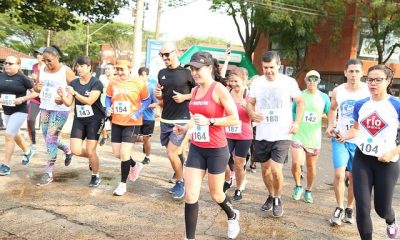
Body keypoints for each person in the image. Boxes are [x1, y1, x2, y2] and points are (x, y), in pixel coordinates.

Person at [173, 51, 240, 240]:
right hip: (197, 148)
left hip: (217, 150)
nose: (194, 73)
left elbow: (234, 119)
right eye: (192, 69)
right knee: (190, 194)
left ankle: (232, 215)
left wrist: (210, 121)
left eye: (198, 69)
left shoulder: (218, 89)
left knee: (217, 194)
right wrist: (185, 127)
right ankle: (190, 238)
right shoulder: (194, 91)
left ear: (209, 68)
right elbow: (197, 119)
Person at [337, 65, 400, 240]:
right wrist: (344, 135)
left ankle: (391, 219)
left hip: (387, 163)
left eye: (378, 79)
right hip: (362, 159)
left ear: (388, 81)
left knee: (382, 209)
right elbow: (356, 129)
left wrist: (392, 152)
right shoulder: (361, 104)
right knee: (363, 206)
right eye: (370, 79)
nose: (373, 83)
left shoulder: (396, 105)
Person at [246, 50, 304, 218]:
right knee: (265, 171)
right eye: (265, 68)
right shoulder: (257, 83)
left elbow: (300, 102)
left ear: (279, 65)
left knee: (275, 169)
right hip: (263, 132)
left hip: (283, 132)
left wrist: (297, 123)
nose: (269, 71)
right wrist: (251, 113)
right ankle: (271, 195)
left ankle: (278, 198)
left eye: (272, 67)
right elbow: (250, 103)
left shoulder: (289, 82)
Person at [325, 59, 369, 225]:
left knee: (353, 178)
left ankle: (350, 207)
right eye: (351, 71)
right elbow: (332, 108)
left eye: (357, 71)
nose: (353, 75)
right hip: (340, 138)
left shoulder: (368, 91)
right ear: (345, 72)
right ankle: (339, 207)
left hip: (360, 141)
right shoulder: (339, 90)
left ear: (362, 73)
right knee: (339, 174)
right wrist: (330, 124)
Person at [155, 42, 196, 199]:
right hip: (165, 119)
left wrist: (184, 97)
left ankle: (181, 182)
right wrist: (158, 94)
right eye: (161, 55)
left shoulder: (187, 73)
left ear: (176, 52)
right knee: (175, 154)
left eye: (167, 54)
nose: (164, 58)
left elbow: (199, 92)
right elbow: (161, 96)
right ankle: (182, 176)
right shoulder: (161, 73)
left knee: (171, 153)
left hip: (181, 119)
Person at [57, 56, 105, 187]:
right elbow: (68, 103)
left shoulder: (96, 83)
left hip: (95, 119)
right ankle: (92, 158)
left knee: (90, 150)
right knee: (76, 150)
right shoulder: (74, 83)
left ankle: (95, 176)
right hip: (79, 119)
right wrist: (62, 96)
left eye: (82, 66)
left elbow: (89, 101)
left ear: (89, 67)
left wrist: (75, 93)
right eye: (77, 66)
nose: (79, 69)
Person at [105, 59, 149, 196]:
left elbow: (147, 99)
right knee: (118, 154)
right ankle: (135, 165)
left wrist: (138, 112)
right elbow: (108, 97)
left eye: (122, 69)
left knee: (124, 154)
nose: (119, 72)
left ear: (129, 68)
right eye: (117, 69)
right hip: (117, 122)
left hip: (132, 122)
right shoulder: (113, 81)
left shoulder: (138, 82)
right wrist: (107, 107)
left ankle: (122, 184)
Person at [35, 46, 75, 185]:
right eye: (45, 60)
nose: (47, 63)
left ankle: (48, 172)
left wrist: (64, 98)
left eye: (49, 60)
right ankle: (67, 149)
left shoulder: (66, 71)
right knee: (47, 138)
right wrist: (36, 88)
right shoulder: (42, 69)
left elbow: (74, 89)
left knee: (51, 137)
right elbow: (37, 87)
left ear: (57, 57)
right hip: (45, 107)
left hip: (60, 109)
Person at [290, 70, 330, 203]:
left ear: (319, 81)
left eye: (315, 79)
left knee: (311, 166)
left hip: (314, 137)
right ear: (305, 80)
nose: (312, 82)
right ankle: (298, 186)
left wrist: (331, 126)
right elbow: (293, 111)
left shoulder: (324, 97)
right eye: (309, 79)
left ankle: (308, 190)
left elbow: (330, 113)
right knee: (296, 163)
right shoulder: (299, 95)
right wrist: (295, 122)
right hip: (299, 134)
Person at [0, 55, 36, 175]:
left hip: (20, 110)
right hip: (7, 110)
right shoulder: (1, 76)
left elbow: (35, 93)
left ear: (18, 65)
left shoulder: (23, 78)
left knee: (8, 135)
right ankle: (27, 151)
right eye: (6, 63)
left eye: (11, 63)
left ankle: (6, 165)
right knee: (14, 134)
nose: (7, 65)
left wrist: (23, 98)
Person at [225, 67, 253, 201]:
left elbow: (255, 115)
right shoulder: (227, 92)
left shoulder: (250, 95)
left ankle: (239, 187)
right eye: (231, 81)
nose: (233, 84)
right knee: (222, 159)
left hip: (244, 133)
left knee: (239, 163)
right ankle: (228, 179)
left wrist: (246, 106)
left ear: (244, 80)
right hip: (227, 132)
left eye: (236, 81)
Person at [27, 47, 46, 155]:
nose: (38, 56)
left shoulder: (48, 67)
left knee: (46, 126)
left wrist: (37, 78)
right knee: (30, 119)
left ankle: (58, 145)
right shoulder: (34, 66)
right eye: (37, 54)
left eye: (41, 54)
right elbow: (32, 82)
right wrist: (32, 80)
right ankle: (33, 143)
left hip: (46, 98)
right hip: (35, 97)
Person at [137, 67, 158, 164]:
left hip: (148, 118)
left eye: (144, 75)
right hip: (137, 117)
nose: (142, 77)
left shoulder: (152, 88)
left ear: (147, 76)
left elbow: (155, 104)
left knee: (146, 138)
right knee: (135, 138)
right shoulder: (136, 87)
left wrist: (145, 105)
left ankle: (147, 157)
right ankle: (145, 145)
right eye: (140, 75)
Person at [98, 63, 115, 146]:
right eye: (106, 69)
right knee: (100, 122)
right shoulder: (101, 78)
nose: (107, 70)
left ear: (114, 70)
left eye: (109, 68)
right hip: (102, 104)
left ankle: (115, 139)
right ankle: (104, 136)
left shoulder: (116, 80)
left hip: (113, 105)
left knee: (113, 123)